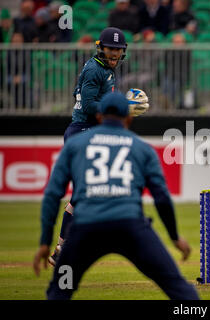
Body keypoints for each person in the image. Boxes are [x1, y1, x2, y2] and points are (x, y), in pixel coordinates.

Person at [33, 92, 199, 300]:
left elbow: (52, 194)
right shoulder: (142, 149)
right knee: (177, 286)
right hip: (131, 230)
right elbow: (162, 198)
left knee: (60, 289)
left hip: (86, 232)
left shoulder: (76, 145)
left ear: (99, 116)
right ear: (129, 118)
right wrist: (174, 237)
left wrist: (44, 242)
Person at [47, 27, 148, 266]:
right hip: (82, 132)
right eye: (110, 49)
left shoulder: (103, 69)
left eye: (118, 50)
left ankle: (69, 246)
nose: (114, 55)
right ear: (100, 48)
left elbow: (78, 94)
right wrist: (119, 107)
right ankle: (65, 247)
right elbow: (88, 104)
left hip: (91, 132)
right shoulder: (95, 69)